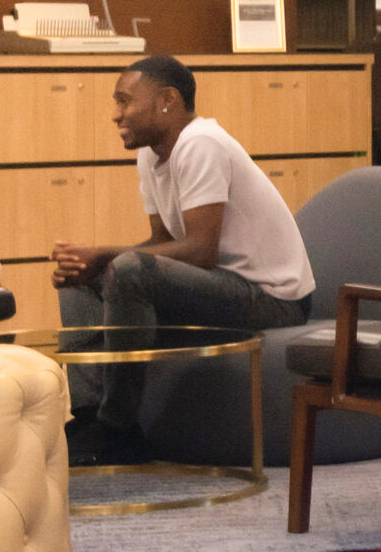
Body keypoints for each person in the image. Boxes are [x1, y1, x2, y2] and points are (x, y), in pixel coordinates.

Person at [50, 52, 314, 457]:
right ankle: (89, 418)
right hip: (217, 286)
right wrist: (94, 263)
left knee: (121, 268)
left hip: (272, 299)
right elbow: (161, 243)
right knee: (82, 278)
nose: (116, 115)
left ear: (167, 100)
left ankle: (119, 428)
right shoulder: (150, 154)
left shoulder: (201, 143)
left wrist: (104, 254)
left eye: (124, 101)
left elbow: (200, 250)